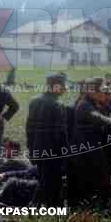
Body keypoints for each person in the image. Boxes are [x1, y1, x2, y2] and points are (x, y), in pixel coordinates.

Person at [69, 78, 111, 206]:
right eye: (102, 90)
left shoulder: (98, 104)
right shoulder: (84, 105)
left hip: (97, 150)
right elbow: (98, 118)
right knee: (89, 184)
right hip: (85, 152)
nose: (105, 92)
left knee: (100, 182)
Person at [26, 72, 68, 207]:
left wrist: (31, 150)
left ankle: (36, 209)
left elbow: (29, 129)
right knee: (54, 186)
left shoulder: (34, 101)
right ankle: (53, 214)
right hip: (54, 153)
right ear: (56, 86)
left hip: (38, 150)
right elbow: (60, 134)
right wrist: (66, 154)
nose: (65, 88)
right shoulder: (57, 104)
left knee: (44, 181)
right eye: (63, 85)